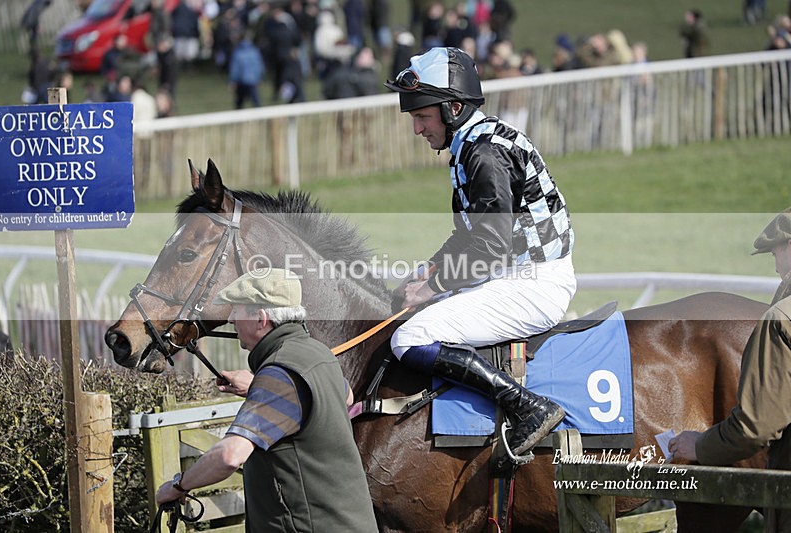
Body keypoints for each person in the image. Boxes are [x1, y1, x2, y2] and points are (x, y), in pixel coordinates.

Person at [384, 47, 576, 460]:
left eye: (422, 116)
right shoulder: (472, 143)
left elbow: (489, 250)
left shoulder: (485, 152)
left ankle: (528, 406)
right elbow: (466, 236)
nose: (417, 129)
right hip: (515, 275)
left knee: (409, 337)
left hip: (532, 285)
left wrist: (433, 285)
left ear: (453, 107)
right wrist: (425, 271)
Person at [155, 268, 377, 532]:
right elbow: (345, 396)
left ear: (261, 319)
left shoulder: (279, 374)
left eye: (237, 311)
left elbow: (229, 456)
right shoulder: (318, 353)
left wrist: (178, 485)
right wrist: (258, 388)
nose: (232, 320)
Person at [669, 208, 791, 532]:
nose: (776, 263)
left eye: (776, 250)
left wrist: (700, 445)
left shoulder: (780, 319)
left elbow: (756, 427)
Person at [228, 31, 265, 108]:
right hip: (252, 81)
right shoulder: (254, 51)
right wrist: (259, 77)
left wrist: (233, 80)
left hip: (242, 81)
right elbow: (259, 66)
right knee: (256, 101)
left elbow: (235, 69)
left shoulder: (237, 52)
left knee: (239, 102)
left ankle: (238, 117)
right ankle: (261, 115)